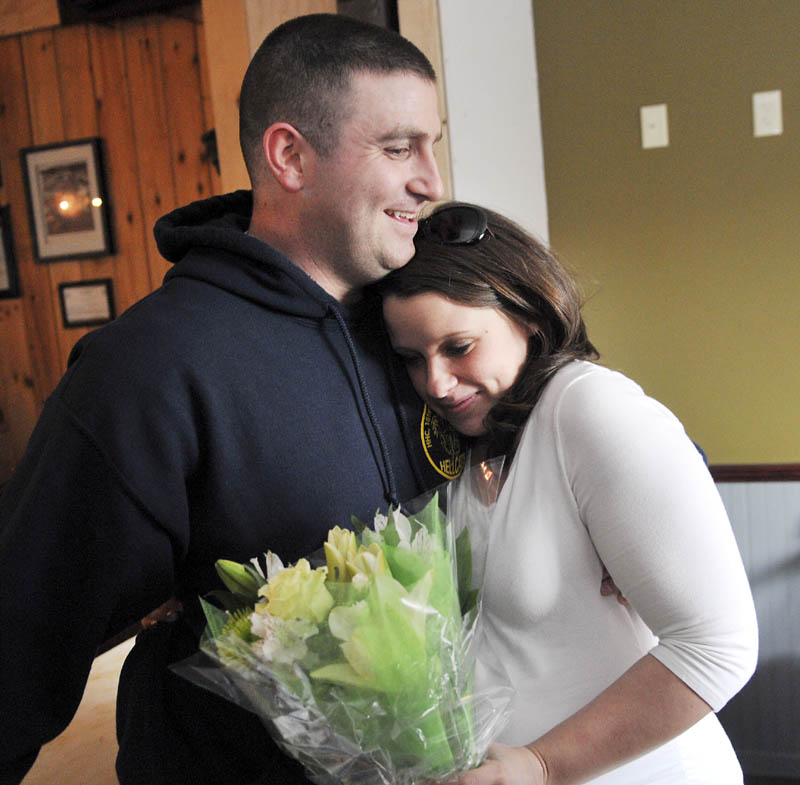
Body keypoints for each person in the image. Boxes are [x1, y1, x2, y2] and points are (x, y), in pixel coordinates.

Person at [0, 14, 467, 785]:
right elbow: (24, 639)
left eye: (432, 143)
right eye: (397, 148)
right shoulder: (148, 367)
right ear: (289, 155)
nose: (432, 179)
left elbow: (571, 399)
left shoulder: (432, 316)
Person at [379, 202, 759, 785]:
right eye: (412, 358)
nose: (435, 382)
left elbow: (718, 646)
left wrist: (542, 764)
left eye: (458, 347)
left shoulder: (588, 408)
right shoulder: (475, 445)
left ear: (528, 316)